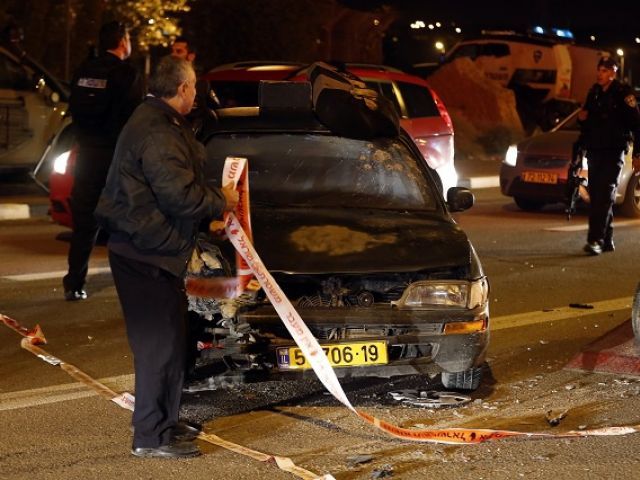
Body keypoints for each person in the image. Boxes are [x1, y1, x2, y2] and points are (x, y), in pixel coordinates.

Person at [95, 55, 238, 458]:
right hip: (144, 254)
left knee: (172, 344)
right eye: (193, 86)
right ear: (182, 89)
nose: (196, 93)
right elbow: (178, 194)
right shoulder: (157, 131)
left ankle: (165, 422)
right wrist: (219, 202)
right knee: (158, 348)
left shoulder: (159, 121)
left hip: (154, 250)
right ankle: (150, 437)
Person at [63, 21, 143, 300]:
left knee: (84, 222)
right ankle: (134, 286)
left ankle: (74, 283)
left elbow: (72, 107)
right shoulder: (127, 73)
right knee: (126, 223)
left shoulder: (84, 69)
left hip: (86, 156)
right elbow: (136, 120)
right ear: (122, 42)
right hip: (115, 158)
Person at [578, 56, 640, 255]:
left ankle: (595, 240)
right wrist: (582, 119)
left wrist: (638, 153)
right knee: (597, 195)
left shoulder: (623, 94)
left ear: (613, 72)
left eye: (605, 70)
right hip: (595, 151)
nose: (600, 74)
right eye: (599, 70)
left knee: (604, 194)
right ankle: (607, 240)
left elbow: (637, 125)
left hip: (614, 152)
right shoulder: (594, 93)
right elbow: (586, 120)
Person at [170, 35, 219, 138]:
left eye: (178, 51)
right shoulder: (167, 82)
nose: (173, 55)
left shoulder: (201, 84)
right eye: (172, 51)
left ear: (191, 56)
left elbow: (214, 111)